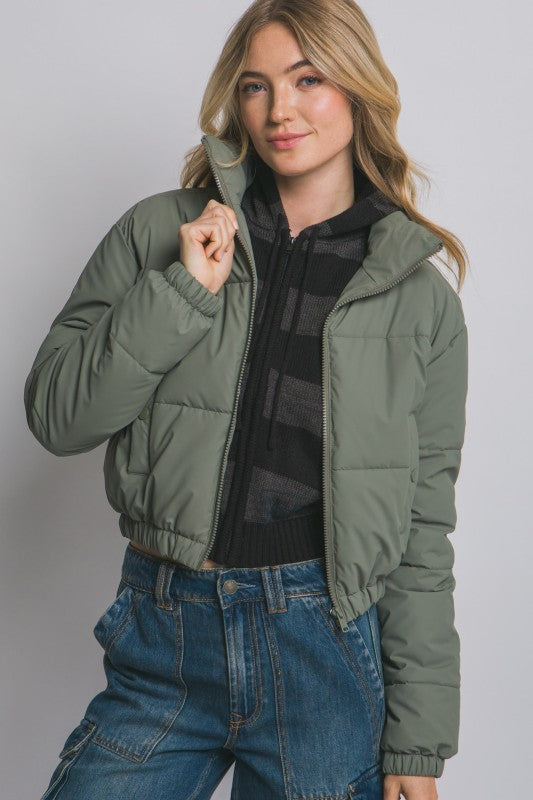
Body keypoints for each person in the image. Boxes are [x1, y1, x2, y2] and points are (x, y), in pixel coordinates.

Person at [25, 2, 469, 799]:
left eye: (308, 79)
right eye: (256, 86)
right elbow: (59, 417)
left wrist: (416, 741)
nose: (279, 110)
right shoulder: (162, 232)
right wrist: (182, 292)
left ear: (357, 88)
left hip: (321, 653)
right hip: (164, 639)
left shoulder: (418, 300)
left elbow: (421, 530)